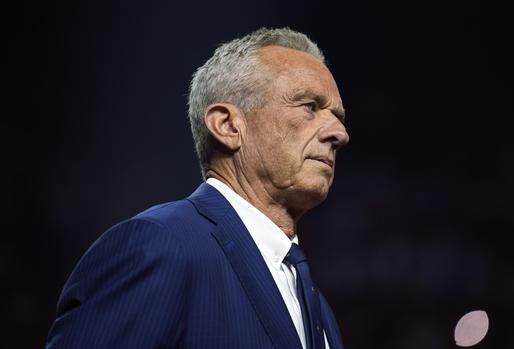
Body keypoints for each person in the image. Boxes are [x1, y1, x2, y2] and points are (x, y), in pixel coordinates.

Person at [46, 27, 349, 349]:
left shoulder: (317, 304)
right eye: (310, 106)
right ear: (228, 126)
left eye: (338, 116)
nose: (340, 133)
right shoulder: (158, 246)